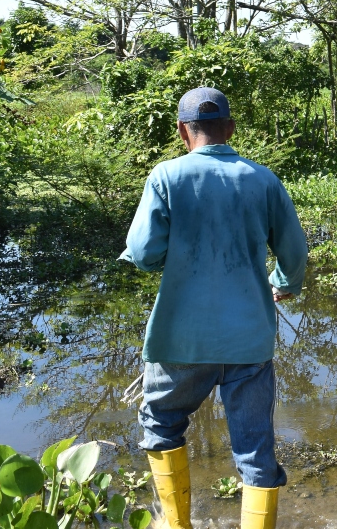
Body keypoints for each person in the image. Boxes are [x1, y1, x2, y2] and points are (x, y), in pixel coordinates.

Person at [121, 87, 308, 529]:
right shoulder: (263, 179)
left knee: (162, 424)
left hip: (180, 337)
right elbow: (294, 250)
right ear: (231, 128)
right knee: (255, 447)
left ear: (184, 131)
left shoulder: (165, 177)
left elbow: (143, 253)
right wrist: (284, 283)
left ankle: (177, 524)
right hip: (249, 339)